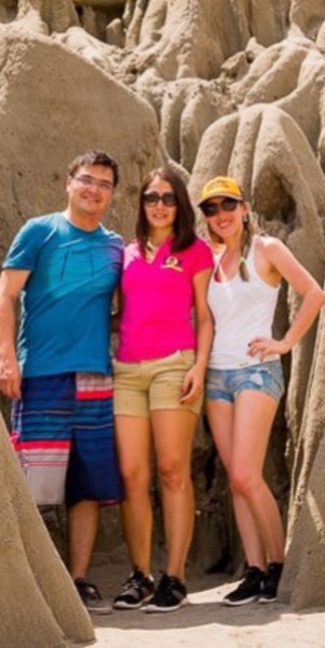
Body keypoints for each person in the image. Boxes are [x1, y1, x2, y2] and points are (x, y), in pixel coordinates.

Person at [0, 151, 126, 614]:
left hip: (95, 375)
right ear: (69, 183)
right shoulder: (40, 231)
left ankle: (78, 580)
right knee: (33, 481)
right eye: (87, 180)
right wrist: (7, 357)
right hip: (42, 372)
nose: (94, 189)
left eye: (104, 184)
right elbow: (5, 295)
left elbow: (124, 310)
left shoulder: (115, 246)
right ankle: (29, 581)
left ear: (112, 194)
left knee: (86, 484)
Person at [196, 175, 325, 607]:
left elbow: (314, 293)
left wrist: (285, 342)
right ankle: (254, 572)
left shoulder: (267, 249)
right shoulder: (210, 260)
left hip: (256, 373)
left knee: (245, 475)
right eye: (211, 209)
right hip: (218, 377)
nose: (221, 216)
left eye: (228, 205)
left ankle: (278, 565)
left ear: (245, 208)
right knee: (237, 482)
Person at [108, 164, 213, 613]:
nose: (159, 205)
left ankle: (175, 576)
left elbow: (205, 317)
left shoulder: (194, 252)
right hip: (127, 370)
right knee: (132, 476)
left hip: (175, 366)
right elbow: (120, 311)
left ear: (181, 205)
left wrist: (199, 369)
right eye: (151, 197)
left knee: (172, 471)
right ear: (141, 203)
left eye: (168, 198)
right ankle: (140, 574)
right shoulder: (126, 253)